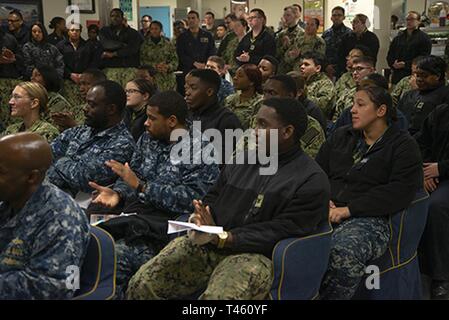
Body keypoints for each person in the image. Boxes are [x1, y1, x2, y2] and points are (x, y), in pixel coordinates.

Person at [126, 97, 330, 300]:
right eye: (254, 123)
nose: (254, 132)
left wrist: (228, 238)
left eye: (263, 125)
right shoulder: (242, 160)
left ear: (287, 132)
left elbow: (285, 229)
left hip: (257, 256)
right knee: (143, 283)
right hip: (212, 242)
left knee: (218, 298)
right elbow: (213, 196)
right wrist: (202, 217)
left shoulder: (310, 179)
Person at [87, 90, 220, 299]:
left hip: (163, 229)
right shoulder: (149, 138)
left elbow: (194, 200)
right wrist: (118, 194)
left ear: (172, 121)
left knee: (111, 258)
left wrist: (143, 188)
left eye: (152, 118)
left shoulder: (200, 150)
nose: (146, 123)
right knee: (85, 240)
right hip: (133, 215)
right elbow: (132, 174)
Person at [317, 81, 423, 300]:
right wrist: (323, 198)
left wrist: (349, 210)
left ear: (381, 110)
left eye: (360, 104)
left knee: (343, 252)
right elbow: (317, 173)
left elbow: (399, 191)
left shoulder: (403, 145)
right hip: (326, 208)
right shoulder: (340, 136)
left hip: (368, 217)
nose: (352, 110)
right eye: (352, 104)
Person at [0, 132, 90, 299]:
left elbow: (57, 288)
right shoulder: (8, 200)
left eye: (1, 172)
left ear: (31, 177)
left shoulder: (61, 218)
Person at [47, 81, 136, 197]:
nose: (85, 108)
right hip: (48, 193)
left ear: (111, 109)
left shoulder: (122, 144)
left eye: (92, 105)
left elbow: (83, 178)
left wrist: (59, 161)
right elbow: (44, 155)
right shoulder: (81, 130)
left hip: (78, 205)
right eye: (86, 103)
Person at [415, 103, 449, 300]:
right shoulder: (441, 111)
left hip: (443, 173)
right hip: (432, 174)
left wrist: (441, 169)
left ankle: (441, 276)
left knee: (436, 206)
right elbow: (421, 142)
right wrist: (424, 170)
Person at [185, 69, 242, 162]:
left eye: (193, 88)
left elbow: (225, 161)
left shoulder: (226, 120)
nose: (187, 93)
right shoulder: (186, 114)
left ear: (209, 92)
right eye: (186, 88)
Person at [262, 74, 326, 158]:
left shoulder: (311, 127)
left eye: (272, 93)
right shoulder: (259, 120)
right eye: (264, 93)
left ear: (290, 96)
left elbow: (306, 162)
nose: (265, 98)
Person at [397, 55, 449, 135]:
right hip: (404, 141)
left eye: (424, 76)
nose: (419, 79)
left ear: (437, 76)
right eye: (417, 75)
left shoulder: (445, 96)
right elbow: (397, 119)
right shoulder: (409, 95)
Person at [99, 8, 143, 86]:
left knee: (129, 92)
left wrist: (114, 54)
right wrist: (123, 45)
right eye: (112, 16)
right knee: (112, 93)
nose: (114, 18)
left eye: (117, 16)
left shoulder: (132, 33)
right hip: (111, 68)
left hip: (129, 68)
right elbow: (106, 44)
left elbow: (133, 49)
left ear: (122, 18)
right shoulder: (104, 31)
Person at [387, 11, 432, 85]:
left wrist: (406, 64)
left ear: (418, 21)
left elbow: (424, 58)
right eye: (407, 19)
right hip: (397, 75)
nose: (409, 21)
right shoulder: (398, 38)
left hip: (413, 74)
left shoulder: (424, 38)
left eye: (412, 19)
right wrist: (393, 64)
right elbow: (390, 54)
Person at [332, 56, 376, 122]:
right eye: (353, 70)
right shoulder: (348, 93)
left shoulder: (378, 93)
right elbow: (336, 117)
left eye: (359, 69)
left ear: (371, 70)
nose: (355, 73)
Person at [140, 21, 178, 91]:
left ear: (160, 30)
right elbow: (142, 61)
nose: (154, 31)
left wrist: (167, 67)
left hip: (167, 78)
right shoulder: (144, 45)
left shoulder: (168, 44)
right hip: (151, 78)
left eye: (156, 29)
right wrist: (155, 66)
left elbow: (175, 61)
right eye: (152, 29)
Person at [176, 11, 216, 77]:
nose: (191, 20)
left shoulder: (207, 35)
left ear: (198, 20)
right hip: (189, 70)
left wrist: (206, 64)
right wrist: (194, 63)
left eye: (193, 18)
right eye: (189, 18)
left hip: (205, 68)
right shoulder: (182, 37)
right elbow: (181, 54)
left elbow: (211, 51)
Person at [224, 64, 263, 130]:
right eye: (235, 75)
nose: (235, 78)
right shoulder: (230, 99)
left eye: (240, 76)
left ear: (251, 82)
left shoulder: (260, 102)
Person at [299, 52, 335, 119]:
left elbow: (322, 105)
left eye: (306, 64)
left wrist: (301, 96)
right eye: (301, 64)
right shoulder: (301, 81)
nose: (302, 67)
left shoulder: (326, 84)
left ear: (317, 68)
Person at [322, 6, 352, 79]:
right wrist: (326, 66)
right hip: (327, 69)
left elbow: (350, 53)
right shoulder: (326, 33)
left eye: (339, 15)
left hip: (343, 70)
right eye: (334, 15)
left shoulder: (349, 33)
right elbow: (322, 52)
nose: (336, 17)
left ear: (343, 17)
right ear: (331, 18)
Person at [276, 6, 304, 75]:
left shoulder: (302, 33)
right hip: (282, 69)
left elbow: (302, 53)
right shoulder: (281, 34)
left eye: (288, 15)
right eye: (284, 15)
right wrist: (284, 47)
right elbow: (276, 53)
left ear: (295, 16)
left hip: (295, 69)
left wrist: (291, 46)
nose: (285, 17)